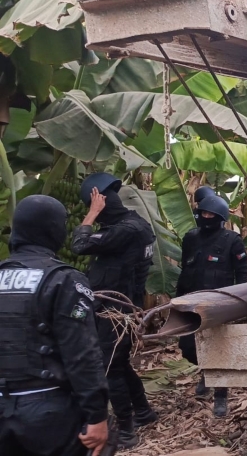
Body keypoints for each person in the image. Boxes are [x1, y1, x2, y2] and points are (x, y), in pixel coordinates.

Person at [0, 195, 109, 456]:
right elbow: (82, 353)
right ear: (53, 230)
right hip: (48, 411)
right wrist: (97, 414)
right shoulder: (64, 280)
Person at [72, 173, 158, 448]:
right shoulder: (134, 224)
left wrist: (91, 214)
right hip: (120, 307)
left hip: (116, 311)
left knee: (109, 368)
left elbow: (79, 245)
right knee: (118, 363)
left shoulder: (125, 231)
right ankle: (143, 412)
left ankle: (126, 431)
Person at [175, 194, 247, 418]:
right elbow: (185, 267)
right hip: (190, 302)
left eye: (211, 214)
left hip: (219, 304)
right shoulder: (190, 238)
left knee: (218, 349)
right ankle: (207, 371)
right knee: (188, 348)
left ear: (220, 217)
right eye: (204, 213)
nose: (206, 217)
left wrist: (238, 304)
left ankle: (220, 395)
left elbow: (242, 274)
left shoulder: (232, 240)